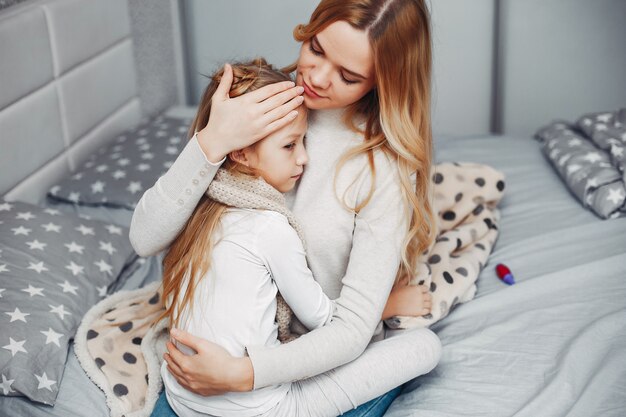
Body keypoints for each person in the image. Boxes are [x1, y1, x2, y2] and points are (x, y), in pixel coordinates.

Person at [132, 0, 441, 415]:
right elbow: (145, 239)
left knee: (422, 349)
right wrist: (210, 141)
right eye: (315, 49)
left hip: (305, 357)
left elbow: (349, 331)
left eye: (348, 76)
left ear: (383, 83)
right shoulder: (257, 104)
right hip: (219, 354)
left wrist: (242, 374)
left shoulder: (382, 169)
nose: (315, 77)